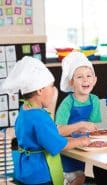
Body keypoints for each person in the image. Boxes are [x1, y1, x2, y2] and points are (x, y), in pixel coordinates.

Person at [0, 56, 92, 185]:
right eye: (51, 86)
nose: (54, 91)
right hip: (40, 173)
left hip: (26, 169)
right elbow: (57, 145)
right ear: (40, 90)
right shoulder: (39, 117)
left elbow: (45, 138)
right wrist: (81, 140)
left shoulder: (25, 109)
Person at [55, 51, 101, 185]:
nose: (85, 79)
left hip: (83, 148)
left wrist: (89, 130)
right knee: (76, 177)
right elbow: (58, 132)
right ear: (71, 82)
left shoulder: (95, 101)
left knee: (80, 177)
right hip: (67, 151)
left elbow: (92, 128)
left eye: (88, 75)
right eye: (79, 77)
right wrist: (81, 125)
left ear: (95, 79)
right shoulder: (67, 103)